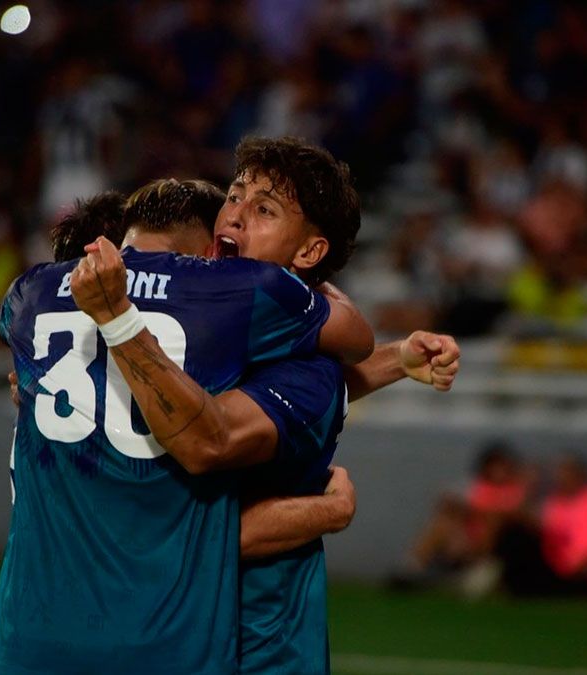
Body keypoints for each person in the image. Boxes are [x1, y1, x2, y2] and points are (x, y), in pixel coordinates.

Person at [68, 137, 460, 674]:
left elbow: (192, 518)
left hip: (254, 650)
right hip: (159, 636)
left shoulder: (309, 373)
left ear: (309, 253)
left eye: (265, 210)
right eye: (234, 196)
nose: (234, 215)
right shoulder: (195, 339)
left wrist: (328, 511)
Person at [0, 177, 375, 674]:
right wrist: (327, 511)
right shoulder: (234, 293)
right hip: (166, 641)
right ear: (210, 249)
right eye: (233, 203)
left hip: (23, 643)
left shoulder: (31, 291)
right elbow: (353, 341)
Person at [390, 441, 532, 594]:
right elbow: (447, 500)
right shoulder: (475, 486)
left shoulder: (517, 491)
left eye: (502, 467)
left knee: (493, 522)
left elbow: (516, 516)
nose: (498, 472)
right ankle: (411, 568)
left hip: (493, 546)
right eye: (494, 466)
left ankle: (475, 571)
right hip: (466, 537)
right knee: (442, 523)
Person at [497, 455, 587, 598]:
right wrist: (527, 487)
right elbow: (521, 519)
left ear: (581, 475)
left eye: (568, 472)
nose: (562, 478)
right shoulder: (552, 504)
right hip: (557, 570)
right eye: (559, 473)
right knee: (514, 536)